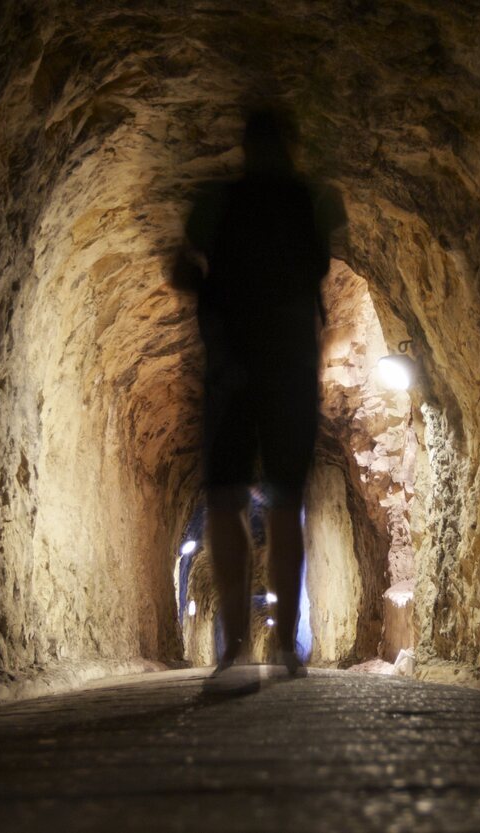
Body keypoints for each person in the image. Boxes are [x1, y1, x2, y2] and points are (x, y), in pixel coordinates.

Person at [171, 104, 346, 684]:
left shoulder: (215, 204)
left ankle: (239, 646)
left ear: (243, 147)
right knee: (283, 499)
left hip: (232, 365)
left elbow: (188, 264)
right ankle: (283, 651)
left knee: (226, 498)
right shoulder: (314, 202)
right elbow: (319, 264)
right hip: (288, 368)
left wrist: (198, 280)